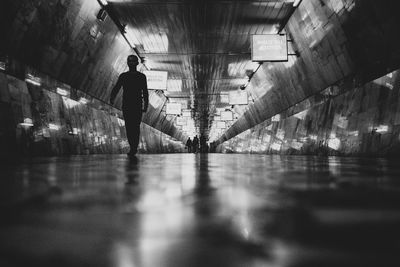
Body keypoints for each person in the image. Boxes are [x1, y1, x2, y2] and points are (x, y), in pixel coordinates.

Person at [110, 55, 149, 156]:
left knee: (135, 126)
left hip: (137, 106)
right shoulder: (124, 76)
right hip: (127, 105)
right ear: (127, 63)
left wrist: (146, 105)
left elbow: (145, 92)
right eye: (130, 61)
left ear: (137, 63)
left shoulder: (141, 77)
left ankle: (134, 147)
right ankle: (133, 146)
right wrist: (112, 98)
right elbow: (116, 87)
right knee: (129, 127)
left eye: (133, 61)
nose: (131, 63)